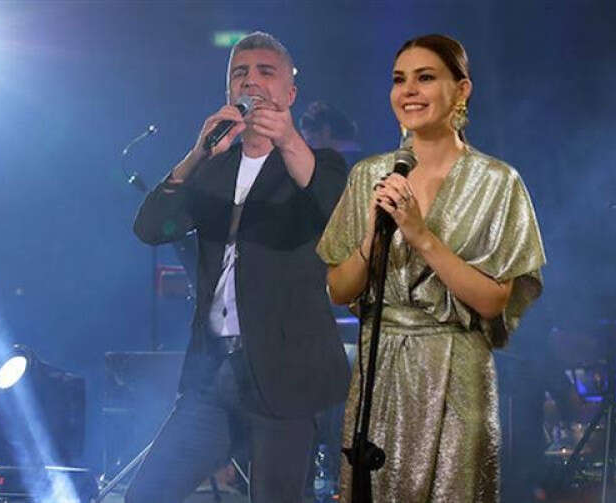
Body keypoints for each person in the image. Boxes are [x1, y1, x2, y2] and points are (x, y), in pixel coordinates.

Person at [317, 34, 545, 501]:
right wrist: (371, 241)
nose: (409, 91)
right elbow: (338, 290)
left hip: (456, 370)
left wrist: (421, 235)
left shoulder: (497, 181)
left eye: (425, 77)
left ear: (461, 90)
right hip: (379, 370)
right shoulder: (369, 175)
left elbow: (493, 301)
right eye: (399, 79)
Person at [127, 31, 351, 502]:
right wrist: (196, 155)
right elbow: (150, 228)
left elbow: (339, 216)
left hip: (284, 373)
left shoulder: (318, 165)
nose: (251, 82)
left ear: (290, 92)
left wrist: (288, 139)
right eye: (239, 74)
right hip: (214, 374)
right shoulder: (214, 167)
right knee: (146, 493)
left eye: (266, 72)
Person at [299, 101, 365, 168]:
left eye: (311, 141)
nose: (308, 148)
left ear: (326, 132)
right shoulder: (360, 158)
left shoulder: (337, 164)